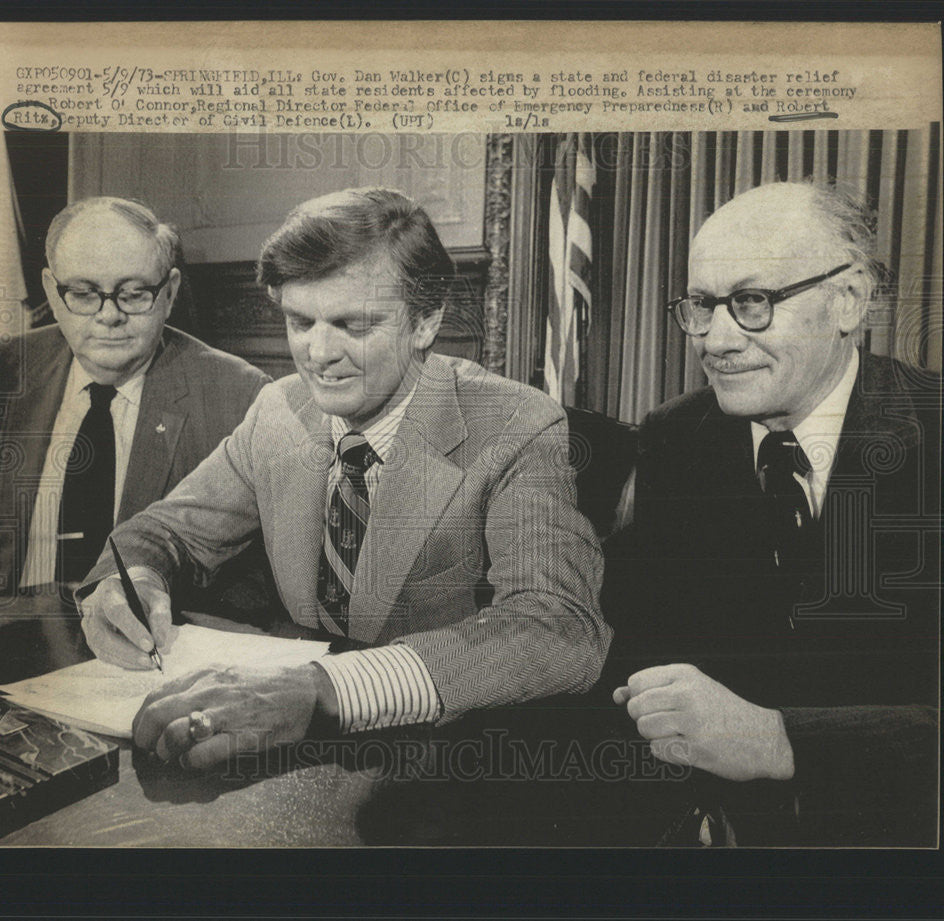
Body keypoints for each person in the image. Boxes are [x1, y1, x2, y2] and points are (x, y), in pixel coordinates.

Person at [77, 187, 610, 770]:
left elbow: (559, 627)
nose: (317, 353)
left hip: (439, 764)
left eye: (352, 324)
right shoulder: (278, 410)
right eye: (299, 321)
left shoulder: (515, 424)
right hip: (282, 756)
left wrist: (325, 689)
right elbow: (168, 531)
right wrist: (131, 582)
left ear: (425, 321)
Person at [605, 181, 939, 846]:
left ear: (847, 300)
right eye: (702, 305)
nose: (716, 340)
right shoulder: (676, 438)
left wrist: (779, 739)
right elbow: (636, 652)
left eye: (752, 302)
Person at [0, 197, 270, 599]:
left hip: (143, 643)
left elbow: (251, 585)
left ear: (170, 293)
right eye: (84, 294)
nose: (109, 315)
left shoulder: (238, 396)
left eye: (135, 293)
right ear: (52, 293)